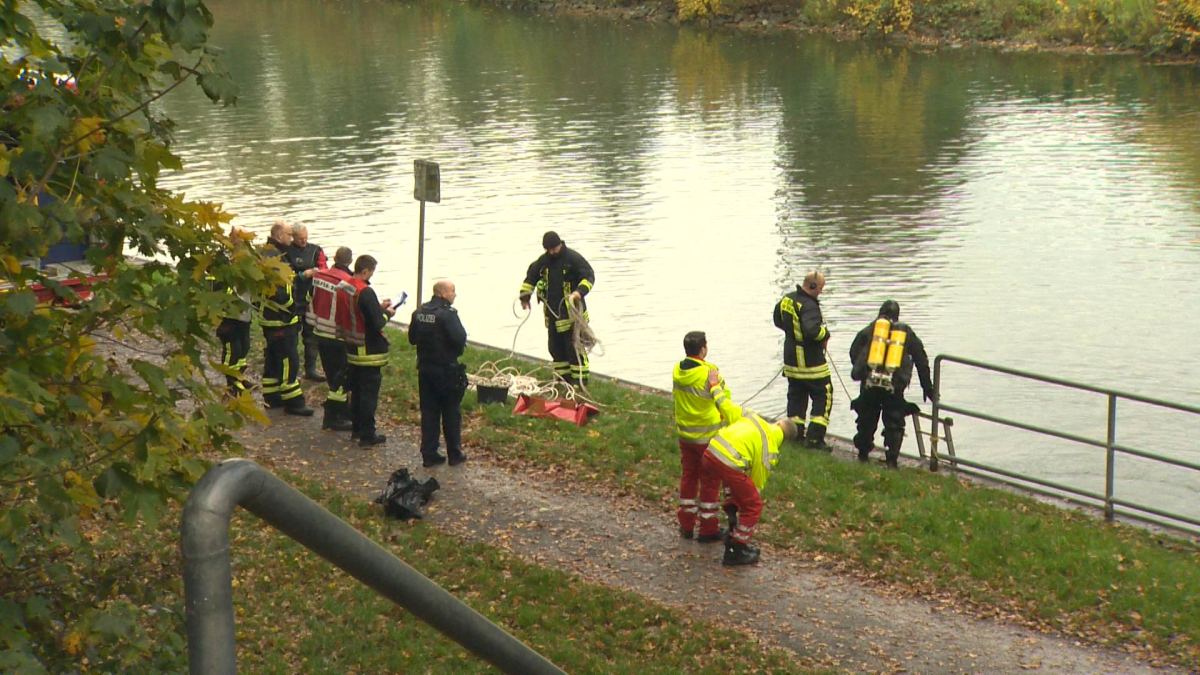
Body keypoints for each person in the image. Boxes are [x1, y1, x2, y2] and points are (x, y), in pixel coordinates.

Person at [697, 414, 799, 566]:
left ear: (778, 422)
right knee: (753, 505)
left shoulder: (754, 418)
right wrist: (746, 500)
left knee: (712, 486)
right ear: (785, 439)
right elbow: (757, 483)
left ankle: (707, 530)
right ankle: (736, 549)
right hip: (729, 462)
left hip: (712, 450)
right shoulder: (770, 447)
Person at [672, 331, 742, 541]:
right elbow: (724, 399)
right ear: (703, 349)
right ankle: (708, 529)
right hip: (708, 437)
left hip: (685, 435)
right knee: (710, 482)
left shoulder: (677, 369)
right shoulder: (710, 372)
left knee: (689, 477)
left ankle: (686, 525)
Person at [848, 300, 935, 468]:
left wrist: (865, 372)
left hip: (870, 383)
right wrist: (927, 387)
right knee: (894, 422)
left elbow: (854, 352)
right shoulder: (905, 333)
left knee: (866, 418)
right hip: (894, 385)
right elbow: (921, 360)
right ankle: (891, 461)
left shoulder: (870, 329)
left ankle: (863, 454)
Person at [518, 231, 595, 386]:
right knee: (555, 348)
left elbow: (589, 276)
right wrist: (525, 298)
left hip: (572, 314)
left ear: (560, 244)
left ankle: (579, 381)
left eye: (554, 249)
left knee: (574, 348)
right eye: (549, 250)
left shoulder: (573, 259)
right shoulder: (544, 261)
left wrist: (578, 292)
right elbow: (531, 278)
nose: (552, 252)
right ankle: (562, 380)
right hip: (553, 314)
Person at [408, 280, 469, 467]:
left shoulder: (419, 312)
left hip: (425, 369)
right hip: (446, 370)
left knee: (429, 412)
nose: (454, 295)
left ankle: (429, 454)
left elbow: (412, 339)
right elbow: (460, 338)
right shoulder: (448, 315)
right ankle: (454, 454)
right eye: (452, 291)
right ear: (442, 293)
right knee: (451, 412)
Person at [773, 270, 832, 450]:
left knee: (796, 398)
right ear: (813, 286)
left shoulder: (787, 299)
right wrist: (825, 334)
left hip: (791, 362)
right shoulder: (810, 305)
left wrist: (793, 332)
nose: (821, 292)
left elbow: (777, 320)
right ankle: (814, 439)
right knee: (824, 395)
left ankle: (795, 435)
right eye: (820, 288)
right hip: (811, 364)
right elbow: (812, 330)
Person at [259, 221, 312, 416]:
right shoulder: (276, 258)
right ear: (280, 235)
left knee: (273, 358)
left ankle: (272, 397)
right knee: (289, 359)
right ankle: (294, 402)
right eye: (289, 235)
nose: (292, 239)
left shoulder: (265, 253)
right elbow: (282, 292)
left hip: (268, 317)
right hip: (281, 319)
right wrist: (293, 309)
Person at [342, 255, 395, 447]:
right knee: (368, 394)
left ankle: (356, 429)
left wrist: (377, 307)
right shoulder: (365, 291)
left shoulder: (345, 285)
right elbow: (377, 322)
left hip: (351, 345)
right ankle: (367, 435)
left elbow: (358, 311)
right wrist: (387, 313)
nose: (371, 276)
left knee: (356, 391)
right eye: (371, 272)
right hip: (368, 350)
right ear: (365, 271)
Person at [306, 246, 354, 431]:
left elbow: (312, 298)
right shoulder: (346, 282)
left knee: (332, 375)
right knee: (341, 378)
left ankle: (342, 413)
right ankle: (334, 416)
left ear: (334, 258)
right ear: (350, 261)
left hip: (319, 331)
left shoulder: (319, 276)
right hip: (336, 335)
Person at [215, 225, 254, 396]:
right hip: (229, 313)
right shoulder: (223, 258)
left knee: (244, 347)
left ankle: (239, 377)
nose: (241, 241)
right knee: (233, 350)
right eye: (238, 237)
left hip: (244, 312)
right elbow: (216, 284)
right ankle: (231, 385)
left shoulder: (249, 257)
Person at [287, 222, 328, 382]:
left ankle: (310, 370)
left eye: (305, 237)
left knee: (311, 336)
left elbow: (324, 269)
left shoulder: (315, 250)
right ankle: (291, 369)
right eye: (300, 238)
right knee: (292, 336)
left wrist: (319, 272)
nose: (304, 241)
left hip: (311, 300)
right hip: (293, 299)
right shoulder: (286, 251)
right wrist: (303, 275)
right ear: (293, 237)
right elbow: (284, 275)